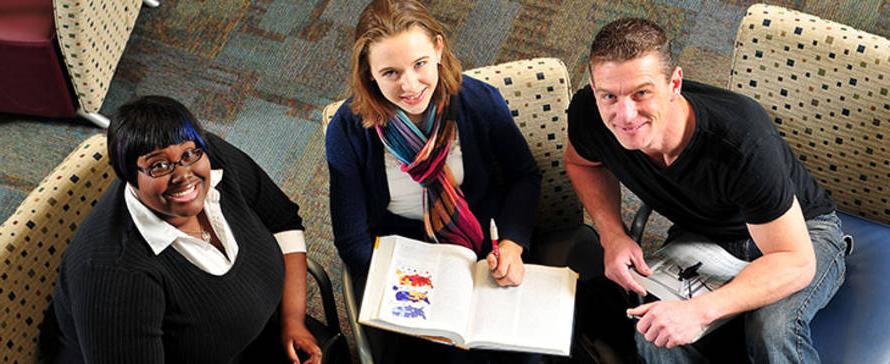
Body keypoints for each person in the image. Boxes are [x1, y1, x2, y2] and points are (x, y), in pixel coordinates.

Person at [565, 18, 846, 363]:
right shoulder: (589, 115)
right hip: (709, 235)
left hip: (801, 234)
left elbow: (797, 262)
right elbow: (583, 164)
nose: (624, 115)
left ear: (674, 84)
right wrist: (612, 235)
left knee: (770, 329)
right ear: (594, 89)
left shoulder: (742, 141)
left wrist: (700, 311)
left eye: (641, 93)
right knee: (656, 332)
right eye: (608, 95)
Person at [325, 0, 541, 362]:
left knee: (522, 350)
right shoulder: (348, 130)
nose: (410, 86)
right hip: (405, 264)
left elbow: (523, 175)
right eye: (391, 73)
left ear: (438, 49)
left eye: (420, 64)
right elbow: (351, 238)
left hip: (484, 246)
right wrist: (402, 289)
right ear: (368, 72)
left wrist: (513, 244)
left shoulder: (478, 102)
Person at [42, 96, 321, 363]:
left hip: (268, 334)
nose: (184, 174)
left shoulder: (210, 157)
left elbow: (283, 221)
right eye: (159, 166)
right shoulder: (115, 275)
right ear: (129, 175)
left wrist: (293, 321)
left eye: (189, 154)